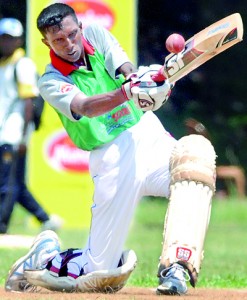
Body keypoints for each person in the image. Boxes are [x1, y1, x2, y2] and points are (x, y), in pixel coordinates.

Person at [5, 4, 216, 296]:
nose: (68, 45)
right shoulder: (51, 80)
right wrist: (130, 92)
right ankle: (44, 257)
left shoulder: (96, 35)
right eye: (58, 41)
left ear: (79, 27)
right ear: (46, 43)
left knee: (196, 164)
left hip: (148, 133)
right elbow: (86, 107)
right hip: (112, 157)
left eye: (70, 35)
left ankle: (177, 267)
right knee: (99, 273)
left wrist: (151, 84)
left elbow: (126, 71)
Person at [0, 18, 63, 233]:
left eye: (9, 38)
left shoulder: (22, 64)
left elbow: (29, 102)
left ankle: (1, 225)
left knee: (6, 184)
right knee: (15, 183)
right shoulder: (4, 64)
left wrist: (24, 136)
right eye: (2, 38)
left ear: (18, 40)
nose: (5, 43)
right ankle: (46, 219)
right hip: (4, 134)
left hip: (14, 134)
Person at [185, 118, 246, 199]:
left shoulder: (204, 142)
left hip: (212, 169)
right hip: (197, 171)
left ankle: (241, 199)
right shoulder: (186, 143)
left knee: (237, 172)